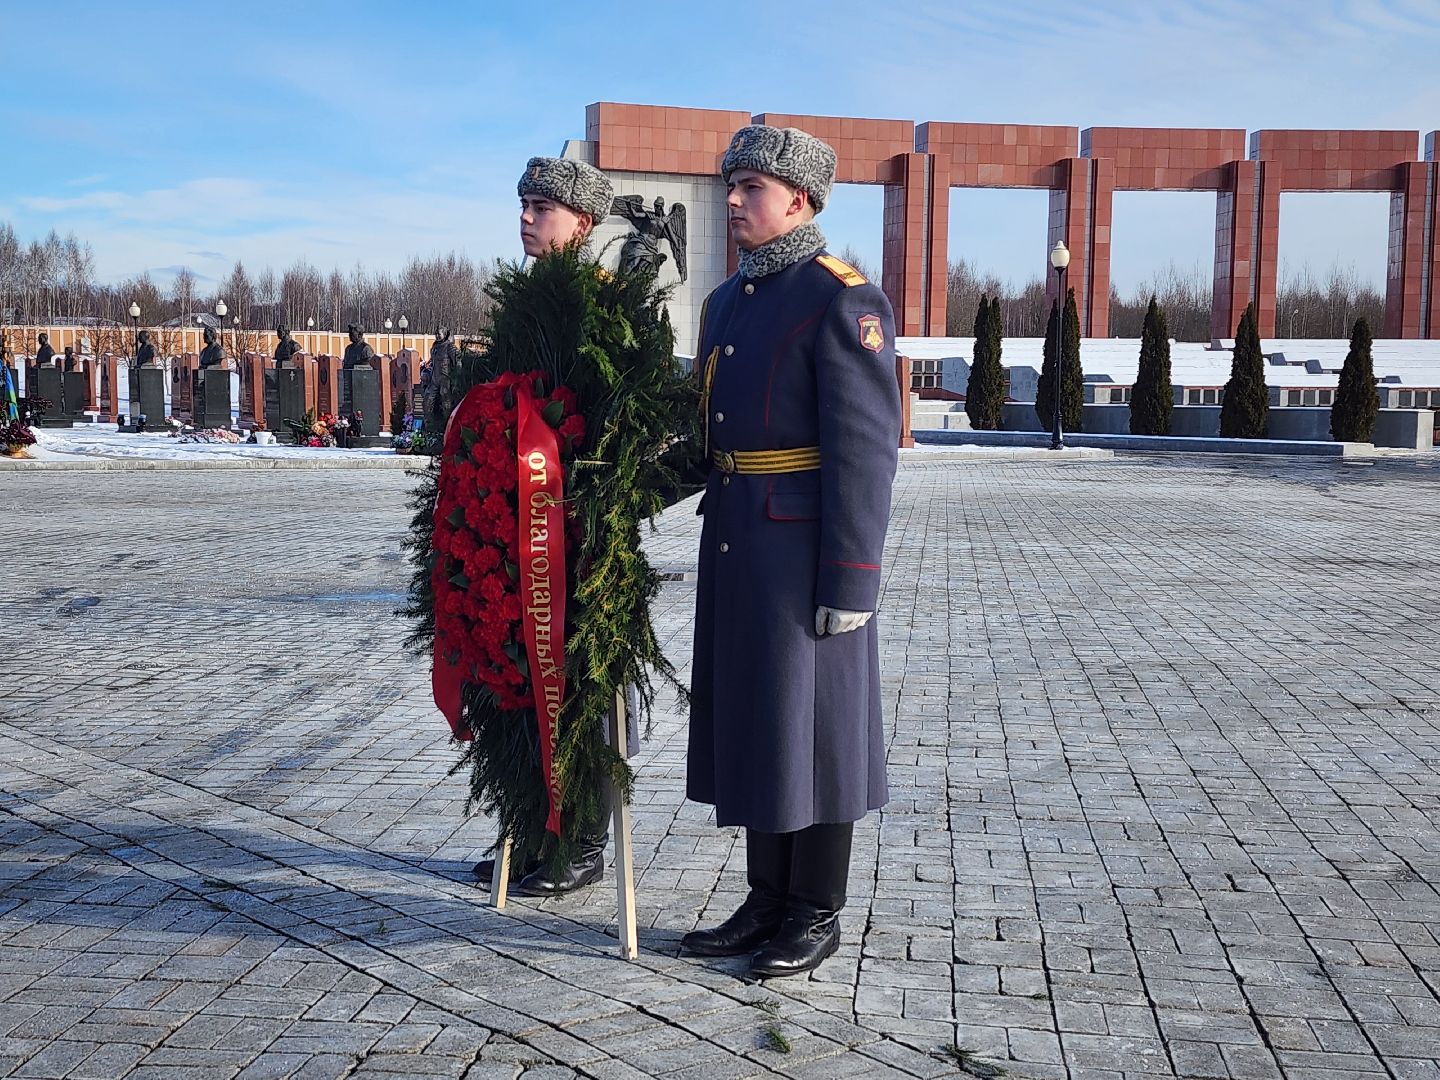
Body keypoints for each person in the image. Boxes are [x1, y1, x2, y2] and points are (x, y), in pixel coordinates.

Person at [681, 125, 901, 979]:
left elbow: (865, 449)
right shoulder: (727, 302)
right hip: (739, 541)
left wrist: (852, 577)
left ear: (799, 200)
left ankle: (817, 909)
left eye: (750, 188)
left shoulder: (840, 298)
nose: (733, 201)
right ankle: (766, 898)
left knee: (818, 731)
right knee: (761, 721)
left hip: (806, 548)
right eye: (731, 185)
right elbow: (706, 437)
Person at [463, 155, 621, 898]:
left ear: (583, 223)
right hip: (512, 532)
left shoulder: (606, 307)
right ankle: (529, 831)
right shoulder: (521, 305)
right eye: (523, 204)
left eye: (542, 208)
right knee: (514, 682)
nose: (525, 218)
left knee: (577, 693)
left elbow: (623, 426)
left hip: (576, 540)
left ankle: (581, 844)